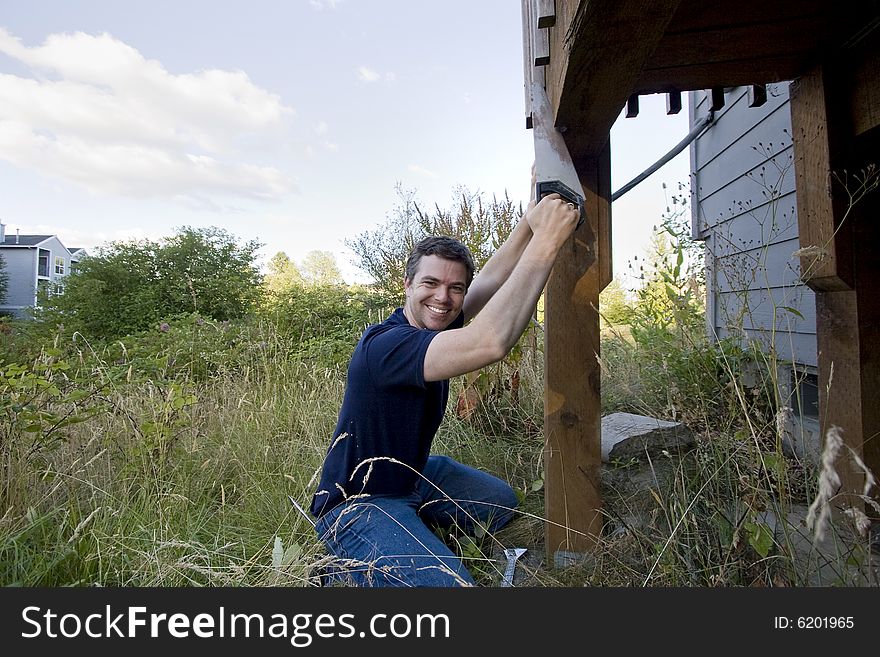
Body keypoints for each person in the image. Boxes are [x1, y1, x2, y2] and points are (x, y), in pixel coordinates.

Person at [309, 186, 580, 587]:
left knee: (501, 505)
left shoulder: (436, 321)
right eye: (431, 284)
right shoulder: (386, 346)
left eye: (456, 288)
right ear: (407, 284)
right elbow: (490, 342)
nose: (444, 297)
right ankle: (348, 564)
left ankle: (409, 528)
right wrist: (547, 240)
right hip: (357, 504)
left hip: (413, 476)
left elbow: (489, 278)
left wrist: (527, 221)